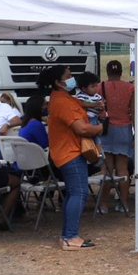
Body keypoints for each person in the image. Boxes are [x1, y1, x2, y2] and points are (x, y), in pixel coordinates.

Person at [37, 65, 103, 250]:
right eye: (69, 76)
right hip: (70, 153)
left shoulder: (61, 99)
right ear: (58, 82)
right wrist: (99, 129)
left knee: (74, 193)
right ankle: (70, 236)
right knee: (80, 193)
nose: (73, 78)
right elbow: (81, 128)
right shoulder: (63, 102)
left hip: (67, 152)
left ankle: (68, 235)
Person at [98, 61, 134, 214]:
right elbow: (133, 111)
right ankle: (124, 202)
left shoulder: (100, 87)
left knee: (107, 168)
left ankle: (104, 203)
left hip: (106, 129)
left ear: (107, 71)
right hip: (124, 129)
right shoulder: (130, 88)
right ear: (121, 71)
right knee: (123, 169)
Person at [74, 72, 104, 149]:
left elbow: (101, 106)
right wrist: (95, 104)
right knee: (89, 136)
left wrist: (101, 107)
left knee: (96, 137)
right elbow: (81, 104)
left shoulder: (97, 96)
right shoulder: (81, 96)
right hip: (86, 118)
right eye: (92, 86)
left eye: (96, 86)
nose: (95, 88)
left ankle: (98, 151)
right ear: (84, 88)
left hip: (95, 118)